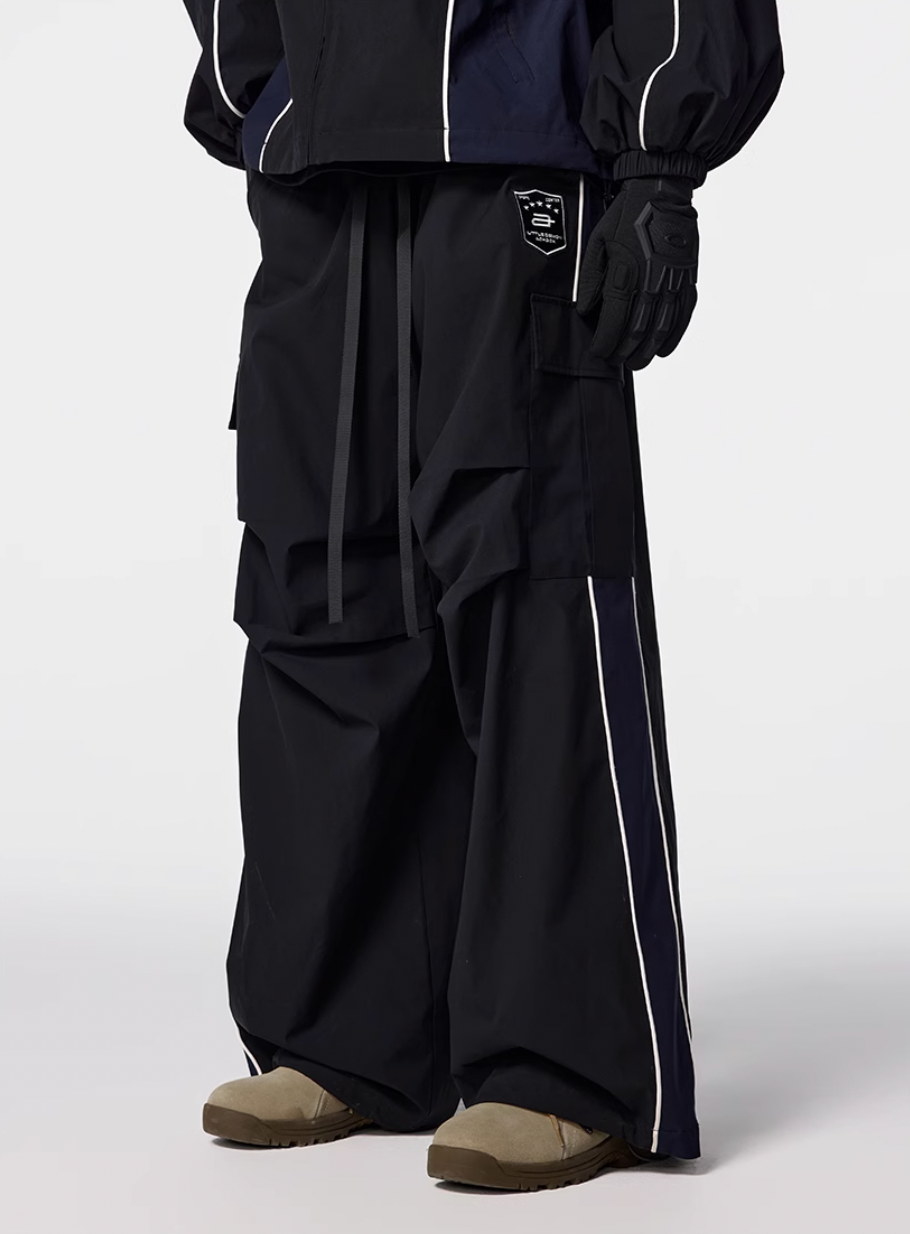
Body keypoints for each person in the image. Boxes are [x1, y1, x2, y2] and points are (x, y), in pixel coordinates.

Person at [181, 0, 783, 1192]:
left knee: (531, 572)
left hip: (515, 139)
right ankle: (352, 1034)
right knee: (323, 563)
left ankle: (570, 1064)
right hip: (318, 154)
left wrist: (657, 154)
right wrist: (262, 86)